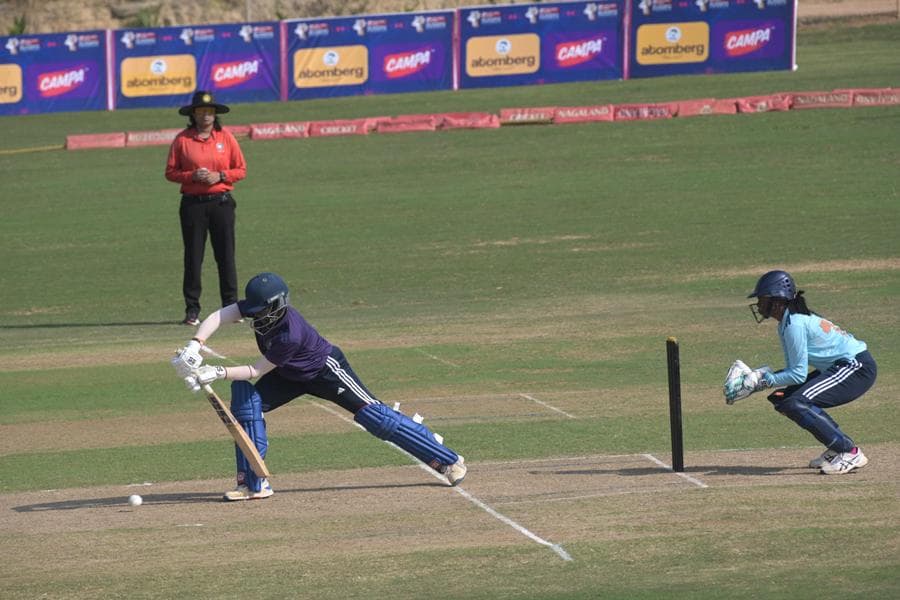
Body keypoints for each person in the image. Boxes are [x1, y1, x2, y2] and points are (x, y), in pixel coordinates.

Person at [171, 272, 467, 500]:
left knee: (376, 419)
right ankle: (254, 483)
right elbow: (219, 316)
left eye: (262, 311)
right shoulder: (259, 307)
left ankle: (447, 460)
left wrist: (217, 371)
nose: (256, 316)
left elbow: (256, 369)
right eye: (255, 310)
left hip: (325, 371)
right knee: (247, 403)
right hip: (288, 375)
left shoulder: (290, 333)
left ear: (276, 305)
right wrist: (195, 345)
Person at [727, 270, 876, 474]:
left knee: (797, 402)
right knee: (784, 399)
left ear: (778, 300)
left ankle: (849, 452)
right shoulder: (788, 321)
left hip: (856, 368)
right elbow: (797, 371)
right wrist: (761, 381)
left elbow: (797, 375)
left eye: (763, 299)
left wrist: (764, 380)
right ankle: (836, 447)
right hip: (843, 367)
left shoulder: (794, 323)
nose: (759, 305)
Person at [165, 90, 247, 326]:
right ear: (193, 114)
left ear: (215, 114)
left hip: (221, 202)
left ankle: (231, 307)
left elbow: (241, 170)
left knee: (226, 256)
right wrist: (193, 175)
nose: (205, 116)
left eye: (209, 112)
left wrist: (219, 175)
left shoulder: (225, 138)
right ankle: (192, 310)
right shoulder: (183, 140)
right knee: (193, 257)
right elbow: (171, 172)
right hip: (193, 205)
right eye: (201, 111)